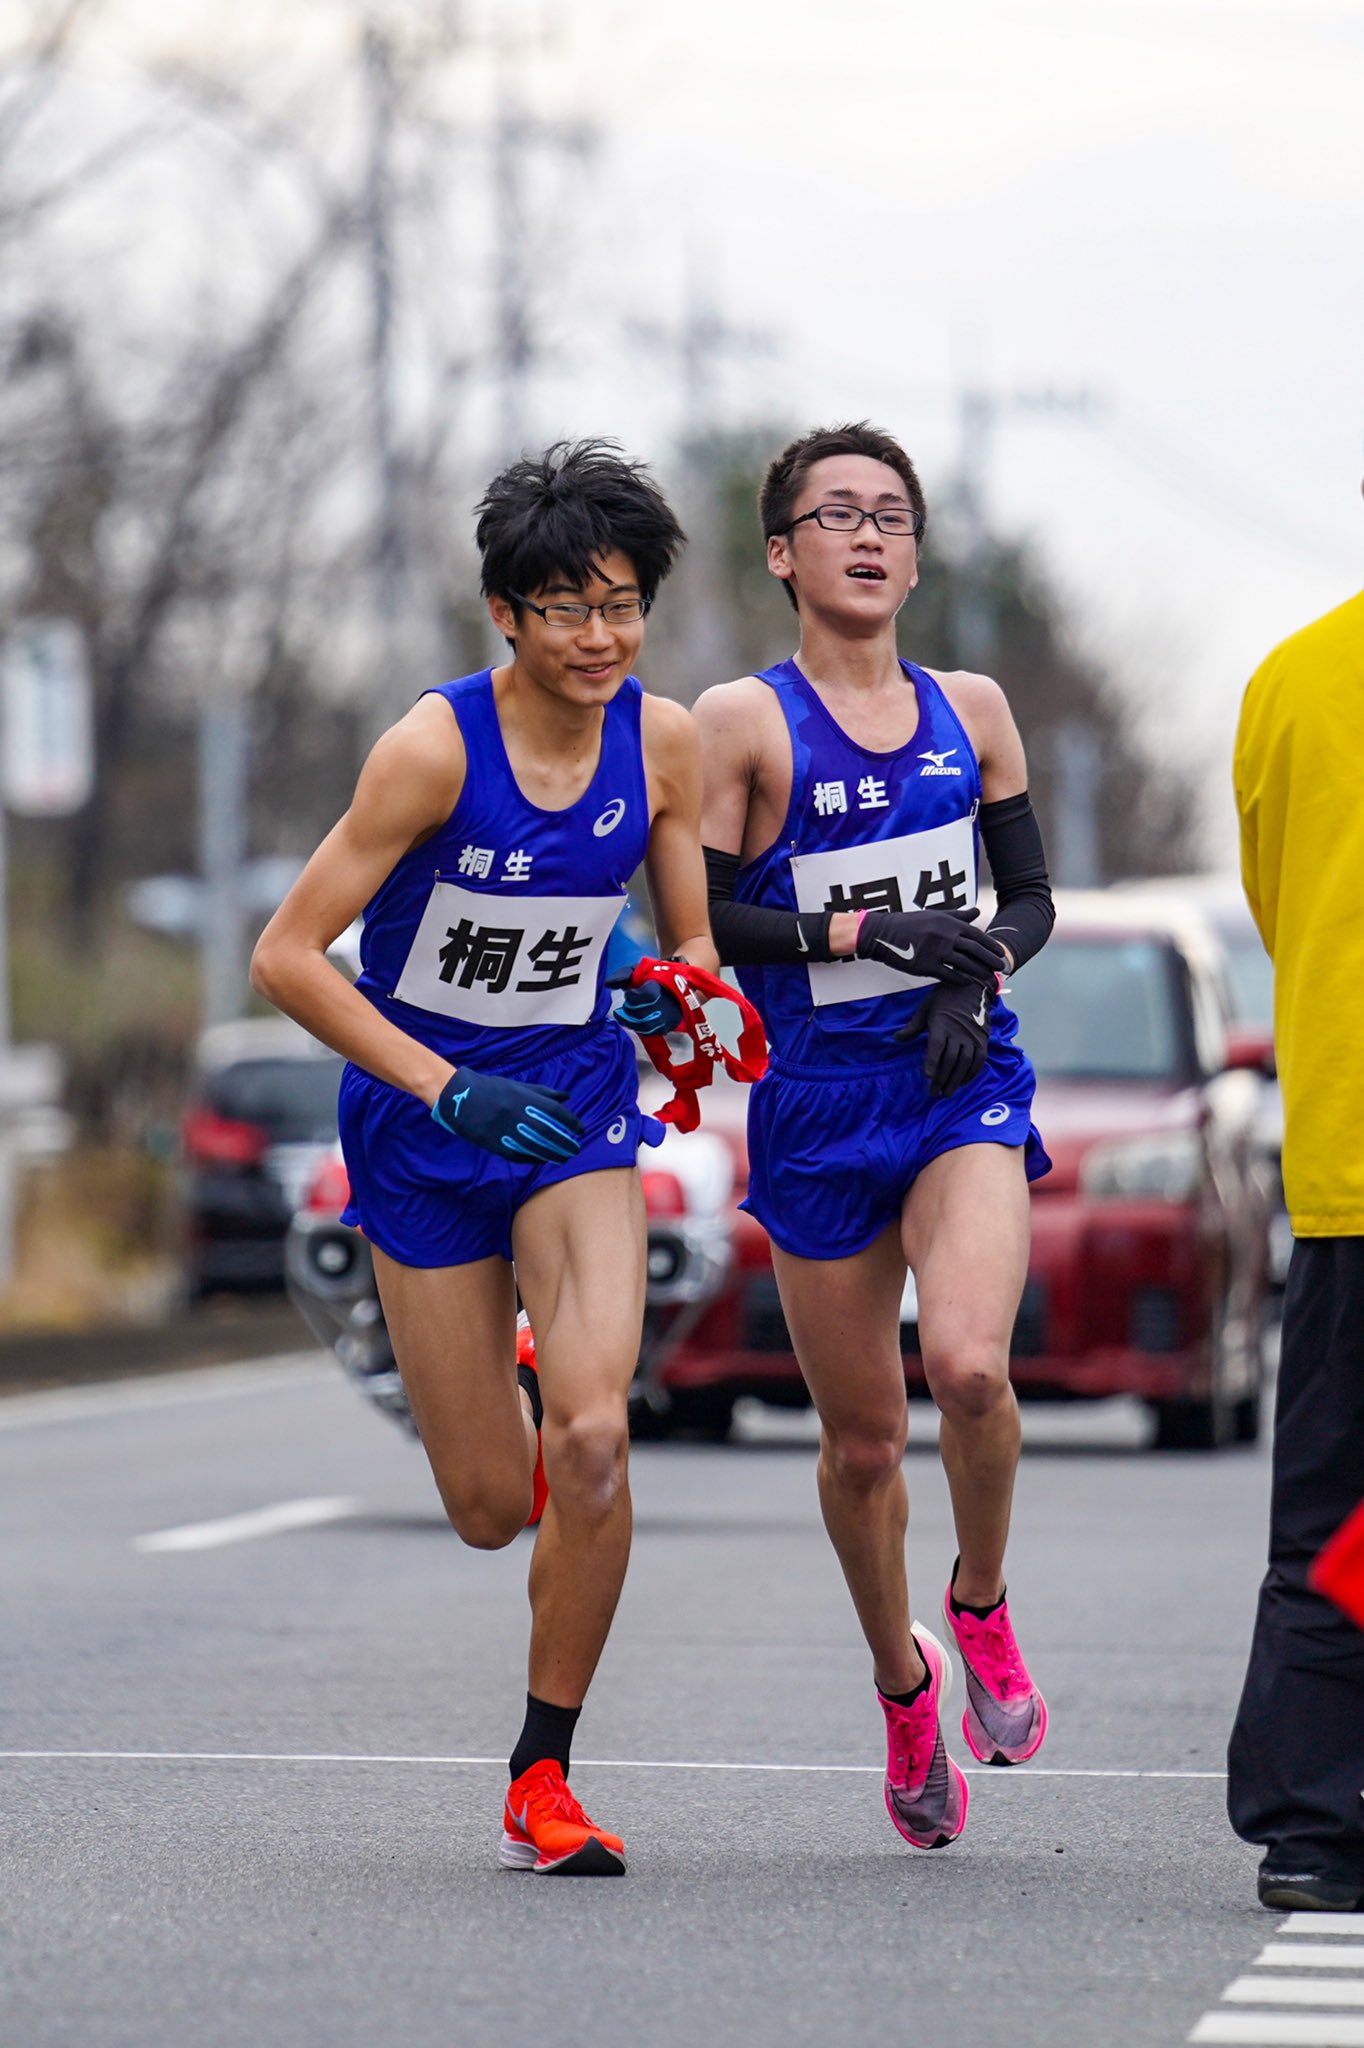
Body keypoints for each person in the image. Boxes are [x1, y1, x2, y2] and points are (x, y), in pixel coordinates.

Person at [251, 440, 717, 1877]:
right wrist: (446, 1087)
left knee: (592, 1441)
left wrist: (676, 993)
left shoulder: (667, 743)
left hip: (576, 1108)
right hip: (426, 1118)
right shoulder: (432, 750)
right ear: (503, 614)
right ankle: (512, 1371)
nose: (600, 637)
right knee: (489, 1506)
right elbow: (286, 957)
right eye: (567, 608)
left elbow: (689, 944)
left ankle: (543, 1773)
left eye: (623, 605)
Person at [693, 421, 1054, 1851]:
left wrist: (982, 968)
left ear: (915, 549)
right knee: (861, 1443)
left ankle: (979, 1598)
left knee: (968, 1365)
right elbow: (707, 916)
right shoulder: (742, 720)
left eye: (891, 514)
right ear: (784, 553)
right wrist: (860, 929)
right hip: (820, 1099)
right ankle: (907, 1683)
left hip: (959, 1078)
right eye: (836, 514)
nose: (868, 535)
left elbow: (1026, 896)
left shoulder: (974, 706)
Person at [1227, 569, 1364, 1913]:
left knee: (1333, 1509)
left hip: (1349, 1160)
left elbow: (1279, 906)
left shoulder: (1293, 680)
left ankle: (1316, 1830)